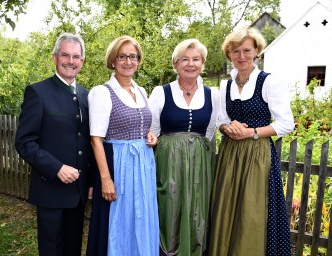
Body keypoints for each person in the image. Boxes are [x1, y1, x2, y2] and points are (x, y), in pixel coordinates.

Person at [208, 27, 294, 256]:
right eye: (235, 51)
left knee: (252, 212)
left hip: (257, 155)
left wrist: (251, 132)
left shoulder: (268, 82)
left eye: (247, 50)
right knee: (227, 210)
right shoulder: (225, 85)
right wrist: (226, 127)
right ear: (229, 55)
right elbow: (220, 119)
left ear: (257, 51)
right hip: (230, 154)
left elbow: (286, 123)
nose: (241, 56)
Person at [15, 33, 93, 256]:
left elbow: (90, 142)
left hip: (78, 192)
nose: (71, 61)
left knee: (73, 249)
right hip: (50, 190)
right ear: (55, 57)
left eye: (76, 56)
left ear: (82, 61)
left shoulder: (87, 96)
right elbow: (24, 141)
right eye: (65, 55)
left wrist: (92, 181)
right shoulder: (38, 92)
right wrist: (56, 167)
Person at [86, 35, 159, 256]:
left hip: (143, 166)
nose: (128, 62)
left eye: (133, 57)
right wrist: (106, 179)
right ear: (113, 60)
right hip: (118, 165)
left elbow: (141, 123)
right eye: (122, 56)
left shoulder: (141, 91)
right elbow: (96, 139)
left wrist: (150, 135)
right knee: (119, 220)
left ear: (138, 60)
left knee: (141, 216)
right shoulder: (102, 92)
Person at [149, 38, 220, 256]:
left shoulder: (213, 95)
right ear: (175, 64)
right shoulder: (161, 93)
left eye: (196, 59)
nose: (191, 64)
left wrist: (195, 152)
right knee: (169, 207)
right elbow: (152, 129)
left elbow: (210, 132)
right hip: (169, 161)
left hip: (200, 162)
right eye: (185, 59)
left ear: (202, 63)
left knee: (197, 210)